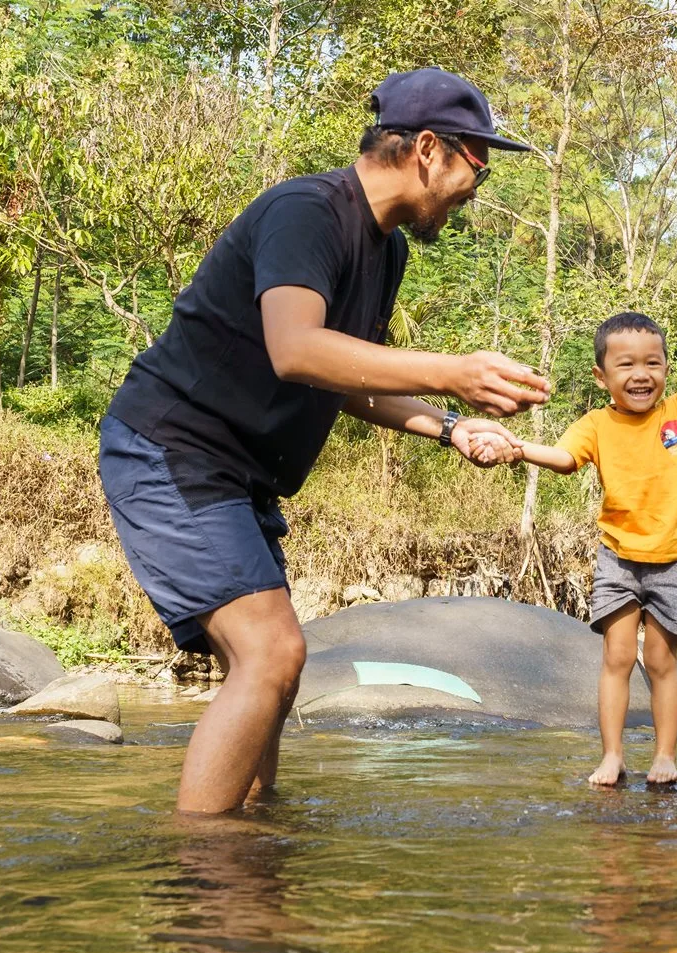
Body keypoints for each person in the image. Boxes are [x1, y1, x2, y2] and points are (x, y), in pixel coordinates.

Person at [98, 67, 549, 814]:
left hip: (241, 477)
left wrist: (447, 425)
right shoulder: (307, 211)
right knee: (273, 652)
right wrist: (452, 372)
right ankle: (206, 870)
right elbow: (297, 350)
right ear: (428, 149)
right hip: (172, 447)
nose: (480, 183)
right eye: (478, 163)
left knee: (271, 665)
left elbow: (343, 379)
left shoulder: (390, 252)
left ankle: (254, 840)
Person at [516, 283, 677, 786]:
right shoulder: (595, 424)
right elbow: (562, 459)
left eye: (653, 363)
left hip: (674, 558)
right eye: (627, 365)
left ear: (664, 368)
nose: (642, 375)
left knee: (661, 659)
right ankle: (613, 755)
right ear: (602, 376)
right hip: (618, 556)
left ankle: (665, 755)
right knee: (616, 657)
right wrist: (516, 448)